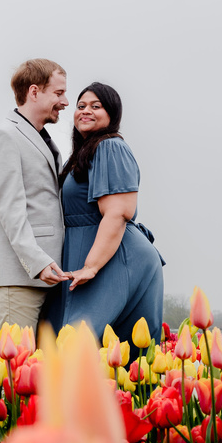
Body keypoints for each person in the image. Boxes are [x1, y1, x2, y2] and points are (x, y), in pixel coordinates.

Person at [57, 82, 164, 352]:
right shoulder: (83, 154)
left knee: (80, 344)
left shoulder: (110, 148)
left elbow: (118, 212)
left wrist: (91, 266)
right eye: (81, 106)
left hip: (111, 258)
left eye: (96, 106)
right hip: (91, 252)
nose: (86, 111)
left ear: (112, 113)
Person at [0, 59, 69, 332]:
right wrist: (38, 262)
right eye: (58, 93)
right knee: (15, 368)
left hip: (47, 275)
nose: (65, 101)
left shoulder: (43, 138)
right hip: (20, 277)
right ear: (33, 92)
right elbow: (10, 210)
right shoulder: (4, 136)